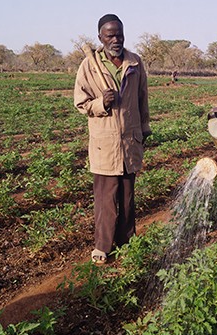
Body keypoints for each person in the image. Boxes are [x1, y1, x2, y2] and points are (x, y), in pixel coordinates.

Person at [74, 14, 152, 264]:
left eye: (119, 34)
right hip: (104, 143)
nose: (116, 39)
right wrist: (100, 103)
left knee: (127, 199)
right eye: (110, 35)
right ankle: (103, 246)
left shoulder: (135, 63)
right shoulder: (89, 66)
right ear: (100, 37)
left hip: (130, 141)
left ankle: (127, 241)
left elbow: (142, 100)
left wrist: (145, 129)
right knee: (106, 200)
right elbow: (80, 102)